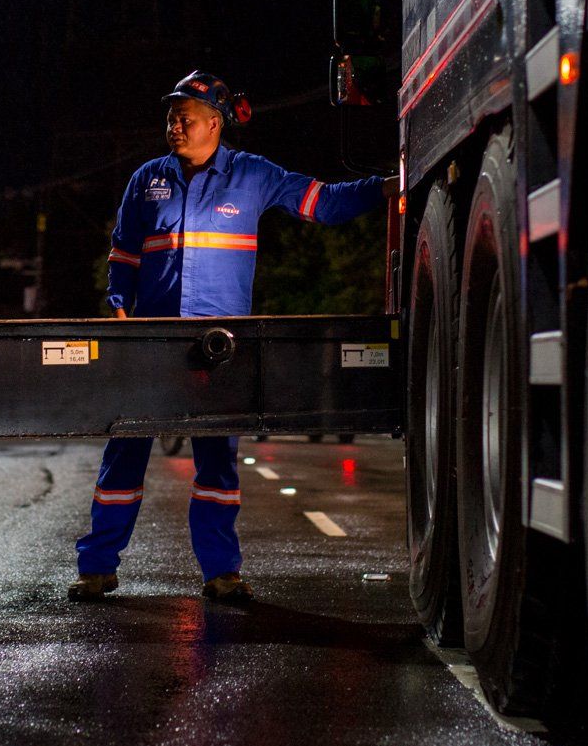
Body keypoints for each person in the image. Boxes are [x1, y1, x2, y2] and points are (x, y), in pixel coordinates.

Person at [69, 71, 393, 604]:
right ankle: (97, 569)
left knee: (217, 462)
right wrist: (120, 305)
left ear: (215, 124)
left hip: (219, 348)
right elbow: (123, 251)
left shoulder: (253, 175)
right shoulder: (147, 179)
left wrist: (385, 187)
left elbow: (325, 202)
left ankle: (222, 574)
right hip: (150, 344)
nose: (174, 126)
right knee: (123, 454)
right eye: (171, 117)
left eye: (184, 118)